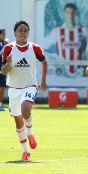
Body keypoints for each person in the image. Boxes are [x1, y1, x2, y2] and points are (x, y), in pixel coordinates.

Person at [1, 20, 47, 160]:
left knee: (26, 109)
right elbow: (3, 71)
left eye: (25, 30)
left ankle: (30, 134)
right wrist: (8, 63)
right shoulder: (8, 48)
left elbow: (44, 62)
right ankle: (25, 151)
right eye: (20, 30)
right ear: (15, 33)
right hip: (14, 88)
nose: (23, 33)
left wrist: (43, 80)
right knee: (18, 121)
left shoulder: (35, 48)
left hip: (29, 86)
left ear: (28, 33)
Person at [0, 28, 8, 111]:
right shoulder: (3, 45)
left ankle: (0, 105)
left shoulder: (4, 44)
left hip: (2, 69)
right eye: (3, 34)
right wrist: (4, 48)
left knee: (2, 86)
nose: (4, 36)